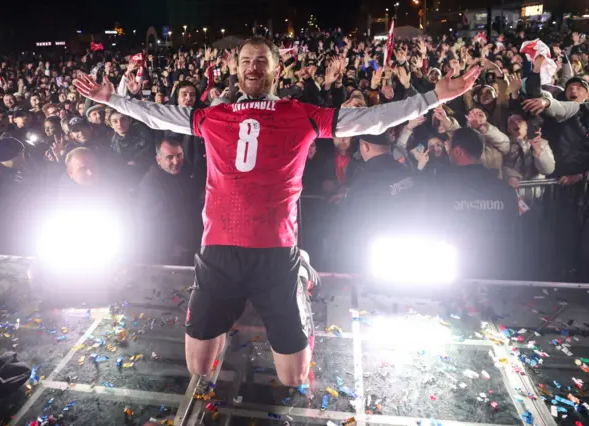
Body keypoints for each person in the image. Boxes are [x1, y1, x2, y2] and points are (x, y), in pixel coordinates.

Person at [74, 36, 479, 387]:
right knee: (198, 368)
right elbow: (158, 114)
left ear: (275, 69)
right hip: (218, 253)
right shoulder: (213, 115)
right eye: (246, 61)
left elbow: (367, 119)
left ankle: (299, 272)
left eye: (261, 61)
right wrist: (112, 99)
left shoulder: (299, 113)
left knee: (292, 377)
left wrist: (434, 97)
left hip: (275, 252)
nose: (252, 67)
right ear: (235, 68)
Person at [428, 127, 519, 278]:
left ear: (457, 151)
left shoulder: (440, 189)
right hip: (498, 272)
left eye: (448, 146)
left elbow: (431, 227)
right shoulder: (504, 190)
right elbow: (513, 232)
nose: (446, 149)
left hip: (453, 273)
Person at [337, 132, 417, 272]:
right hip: (413, 250)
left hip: (376, 258)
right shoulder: (407, 171)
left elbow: (351, 225)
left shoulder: (364, 181)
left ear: (365, 147)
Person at [135, 137, 203, 265]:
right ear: (158, 160)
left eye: (179, 155)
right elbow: (151, 224)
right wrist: (171, 247)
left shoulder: (186, 169)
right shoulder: (150, 186)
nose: (176, 161)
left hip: (194, 239)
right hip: (174, 250)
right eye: (169, 157)